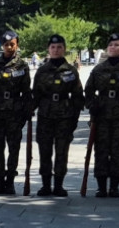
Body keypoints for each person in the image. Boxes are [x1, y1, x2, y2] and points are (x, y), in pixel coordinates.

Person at [84, 32, 119, 198]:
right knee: (101, 150)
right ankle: (101, 187)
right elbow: (88, 90)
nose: (113, 47)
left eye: (117, 45)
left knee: (117, 151)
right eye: (110, 45)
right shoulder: (99, 68)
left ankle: (114, 186)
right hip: (101, 115)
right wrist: (92, 105)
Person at [31, 34, 85, 197]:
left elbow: (77, 96)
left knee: (62, 151)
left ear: (64, 49)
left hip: (64, 115)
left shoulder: (71, 71)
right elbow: (36, 95)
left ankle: (59, 185)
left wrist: (74, 118)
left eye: (59, 47)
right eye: (53, 47)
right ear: (48, 49)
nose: (56, 50)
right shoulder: (42, 71)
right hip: (46, 115)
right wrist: (28, 110)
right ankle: (46, 185)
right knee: (45, 151)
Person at [0, 30, 31, 195]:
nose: (9, 47)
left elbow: (26, 91)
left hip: (14, 112)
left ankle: (10, 180)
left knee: (14, 148)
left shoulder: (22, 66)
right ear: (2, 46)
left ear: (17, 45)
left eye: (12, 44)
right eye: (6, 44)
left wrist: (26, 110)